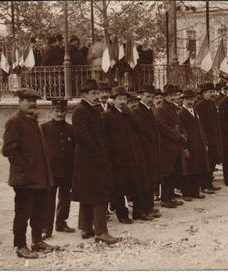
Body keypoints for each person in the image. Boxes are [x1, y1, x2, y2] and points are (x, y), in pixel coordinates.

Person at [2, 88, 58, 259]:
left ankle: (36, 242)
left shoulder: (32, 121)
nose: (32, 103)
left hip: (39, 178)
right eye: (27, 100)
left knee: (39, 212)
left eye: (34, 100)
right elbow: (9, 150)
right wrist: (24, 170)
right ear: (20, 102)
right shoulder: (15, 122)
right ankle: (20, 246)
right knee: (23, 214)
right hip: (25, 180)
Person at [71, 79, 120, 244]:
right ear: (84, 94)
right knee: (99, 193)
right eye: (94, 93)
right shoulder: (81, 111)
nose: (98, 96)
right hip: (90, 159)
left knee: (87, 193)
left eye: (98, 93)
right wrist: (98, 155)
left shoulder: (91, 109)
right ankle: (101, 231)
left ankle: (85, 227)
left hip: (90, 158)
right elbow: (82, 136)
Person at [102, 86, 150, 223]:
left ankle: (138, 212)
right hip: (118, 157)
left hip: (133, 154)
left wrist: (129, 113)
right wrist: (111, 155)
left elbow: (139, 128)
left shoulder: (129, 114)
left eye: (124, 98)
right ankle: (122, 214)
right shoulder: (108, 115)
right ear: (114, 100)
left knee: (137, 183)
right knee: (119, 187)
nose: (122, 101)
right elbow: (106, 137)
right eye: (119, 99)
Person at [41, 99, 76, 240]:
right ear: (51, 111)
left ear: (66, 112)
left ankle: (61, 222)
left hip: (67, 169)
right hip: (51, 170)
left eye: (62, 111)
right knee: (48, 199)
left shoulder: (71, 129)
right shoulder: (43, 128)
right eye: (56, 111)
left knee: (65, 197)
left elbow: (74, 149)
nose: (59, 114)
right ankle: (46, 227)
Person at [131, 85, 162, 218]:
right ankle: (139, 211)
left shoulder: (149, 110)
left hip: (151, 151)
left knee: (151, 180)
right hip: (142, 152)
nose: (150, 99)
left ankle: (149, 207)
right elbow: (139, 133)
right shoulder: (137, 112)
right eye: (147, 96)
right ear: (141, 96)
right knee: (142, 182)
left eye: (152, 97)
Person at [154, 84, 187, 208]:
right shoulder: (160, 109)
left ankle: (171, 196)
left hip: (175, 145)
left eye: (175, 95)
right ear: (165, 96)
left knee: (173, 172)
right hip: (166, 146)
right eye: (171, 95)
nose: (173, 97)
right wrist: (178, 136)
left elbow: (179, 123)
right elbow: (163, 128)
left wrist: (183, 134)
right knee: (166, 173)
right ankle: (165, 199)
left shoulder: (173, 108)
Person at [177, 89, 208, 201]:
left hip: (198, 144)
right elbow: (180, 131)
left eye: (191, 99)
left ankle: (196, 191)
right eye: (187, 99)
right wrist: (184, 148)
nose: (190, 101)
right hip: (189, 144)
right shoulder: (180, 113)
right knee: (188, 170)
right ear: (183, 101)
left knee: (198, 167)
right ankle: (186, 193)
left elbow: (201, 128)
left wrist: (204, 143)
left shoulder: (195, 111)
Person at [194, 83, 223, 194]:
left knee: (213, 160)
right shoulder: (199, 105)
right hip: (206, 138)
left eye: (213, 91)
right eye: (210, 92)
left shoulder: (212, 103)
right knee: (206, 162)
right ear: (204, 93)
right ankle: (204, 185)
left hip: (214, 136)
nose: (212, 94)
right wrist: (205, 140)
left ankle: (209, 182)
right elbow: (201, 125)